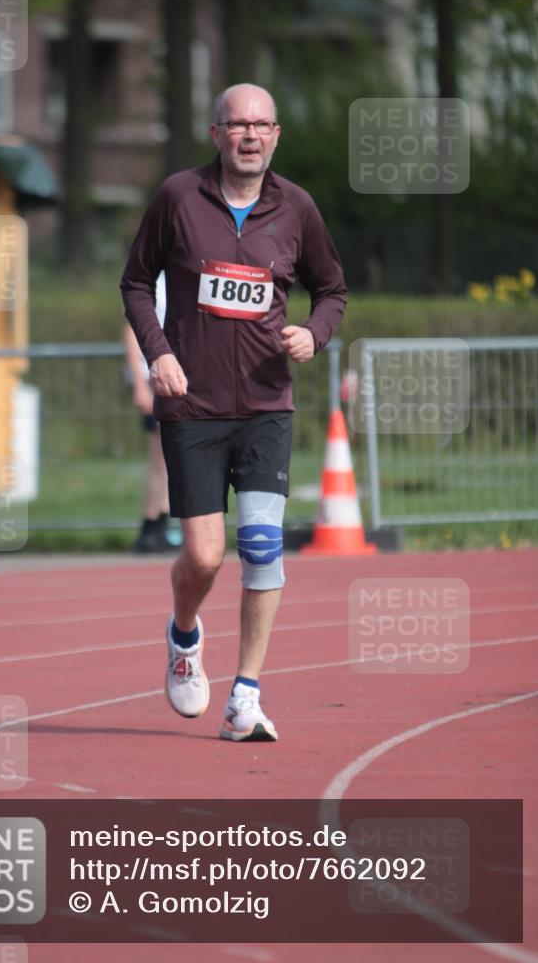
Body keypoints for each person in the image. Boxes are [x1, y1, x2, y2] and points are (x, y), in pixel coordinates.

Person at [121, 83, 347, 741]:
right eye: (237, 124)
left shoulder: (296, 208)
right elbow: (135, 281)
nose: (249, 135)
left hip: (267, 405)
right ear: (216, 134)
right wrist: (157, 352)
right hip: (192, 404)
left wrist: (314, 333)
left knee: (260, 547)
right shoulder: (177, 197)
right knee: (203, 555)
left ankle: (245, 694)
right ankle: (184, 636)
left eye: (261, 125)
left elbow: (330, 289)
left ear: (275, 136)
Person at [123, 272, 181, 553]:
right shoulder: (157, 281)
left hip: (173, 376)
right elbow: (131, 331)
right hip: (155, 377)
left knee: (169, 458)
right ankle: (151, 526)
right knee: (161, 457)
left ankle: (160, 522)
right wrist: (139, 384)